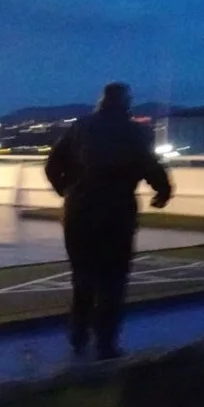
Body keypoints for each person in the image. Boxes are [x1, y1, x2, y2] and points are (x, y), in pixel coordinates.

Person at [44, 82, 173, 360]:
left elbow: (52, 165)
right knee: (113, 278)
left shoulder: (80, 127)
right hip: (117, 211)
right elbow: (150, 166)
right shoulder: (134, 131)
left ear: (101, 101)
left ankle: (78, 336)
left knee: (82, 275)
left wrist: (67, 191)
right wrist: (162, 192)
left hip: (79, 211)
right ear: (125, 102)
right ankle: (105, 343)